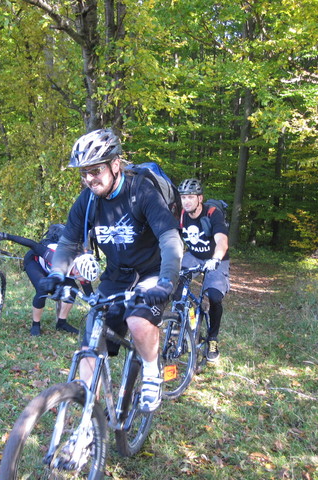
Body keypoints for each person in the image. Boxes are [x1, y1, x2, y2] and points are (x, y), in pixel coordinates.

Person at [39, 128, 183, 413]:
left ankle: (152, 372)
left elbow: (170, 238)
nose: (89, 179)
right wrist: (56, 274)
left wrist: (167, 280)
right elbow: (67, 244)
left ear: (115, 165)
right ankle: (89, 418)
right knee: (92, 341)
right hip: (117, 275)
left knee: (138, 321)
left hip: (152, 272)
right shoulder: (87, 201)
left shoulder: (141, 192)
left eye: (95, 170)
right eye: (84, 173)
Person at [0, 229, 94, 336]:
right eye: (85, 279)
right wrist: (5, 235)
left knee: (72, 288)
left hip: (56, 269)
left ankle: (61, 323)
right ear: (77, 271)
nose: (86, 281)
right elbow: (32, 244)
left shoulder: (84, 268)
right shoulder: (53, 255)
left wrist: (100, 309)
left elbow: (91, 296)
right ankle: (36, 324)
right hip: (35, 261)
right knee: (43, 288)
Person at [177, 178, 230, 362]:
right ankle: (181, 323)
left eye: (191, 197)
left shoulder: (212, 213)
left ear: (200, 198)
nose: (186, 201)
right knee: (175, 286)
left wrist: (215, 259)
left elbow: (222, 241)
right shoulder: (181, 215)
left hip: (216, 257)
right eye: (183, 197)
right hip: (193, 255)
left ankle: (212, 338)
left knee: (214, 296)